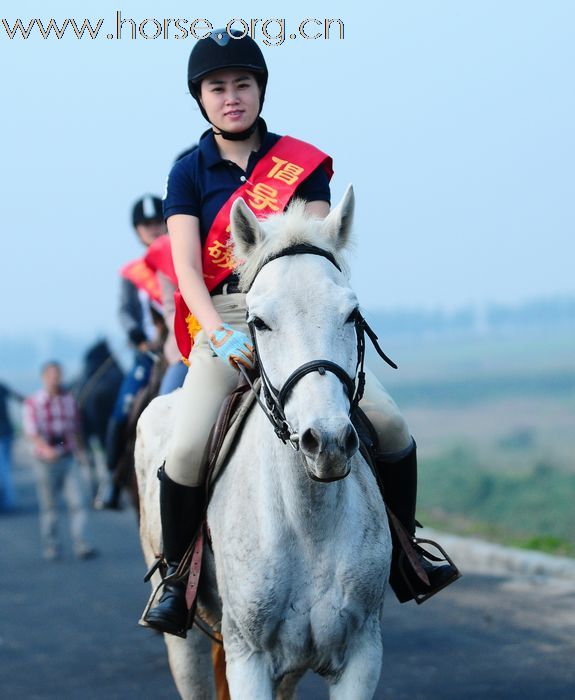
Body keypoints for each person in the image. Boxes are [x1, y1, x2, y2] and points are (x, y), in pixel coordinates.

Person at [143, 29, 459, 636]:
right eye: (218, 87)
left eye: (242, 84)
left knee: (388, 423)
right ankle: (177, 578)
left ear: (260, 89)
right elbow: (185, 268)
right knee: (183, 448)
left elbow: (318, 249)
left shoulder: (302, 162)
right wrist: (218, 333)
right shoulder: (188, 173)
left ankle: (405, 552)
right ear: (200, 98)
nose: (231, 97)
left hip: (299, 318)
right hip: (229, 323)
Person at [100, 195, 167, 509]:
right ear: (137, 231)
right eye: (146, 225)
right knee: (122, 410)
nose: (153, 229)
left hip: (191, 345)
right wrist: (139, 337)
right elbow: (126, 312)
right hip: (149, 352)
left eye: (157, 222)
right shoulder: (133, 273)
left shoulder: (184, 257)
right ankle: (112, 479)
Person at [23, 362, 97, 560]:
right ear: (44, 377)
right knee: (49, 506)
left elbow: (75, 429)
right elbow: (31, 432)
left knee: (78, 502)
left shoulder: (68, 400)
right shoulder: (34, 402)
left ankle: (82, 542)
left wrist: (81, 453)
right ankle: (51, 544)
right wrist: (46, 450)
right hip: (45, 460)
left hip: (67, 455)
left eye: (58, 375)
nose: (55, 379)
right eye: (51, 375)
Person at [0, 381, 24, 512]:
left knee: (3, 471)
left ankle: (8, 502)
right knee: (6, 469)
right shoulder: (2, 386)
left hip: (3, 434)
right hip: (7, 433)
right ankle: (8, 500)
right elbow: (19, 398)